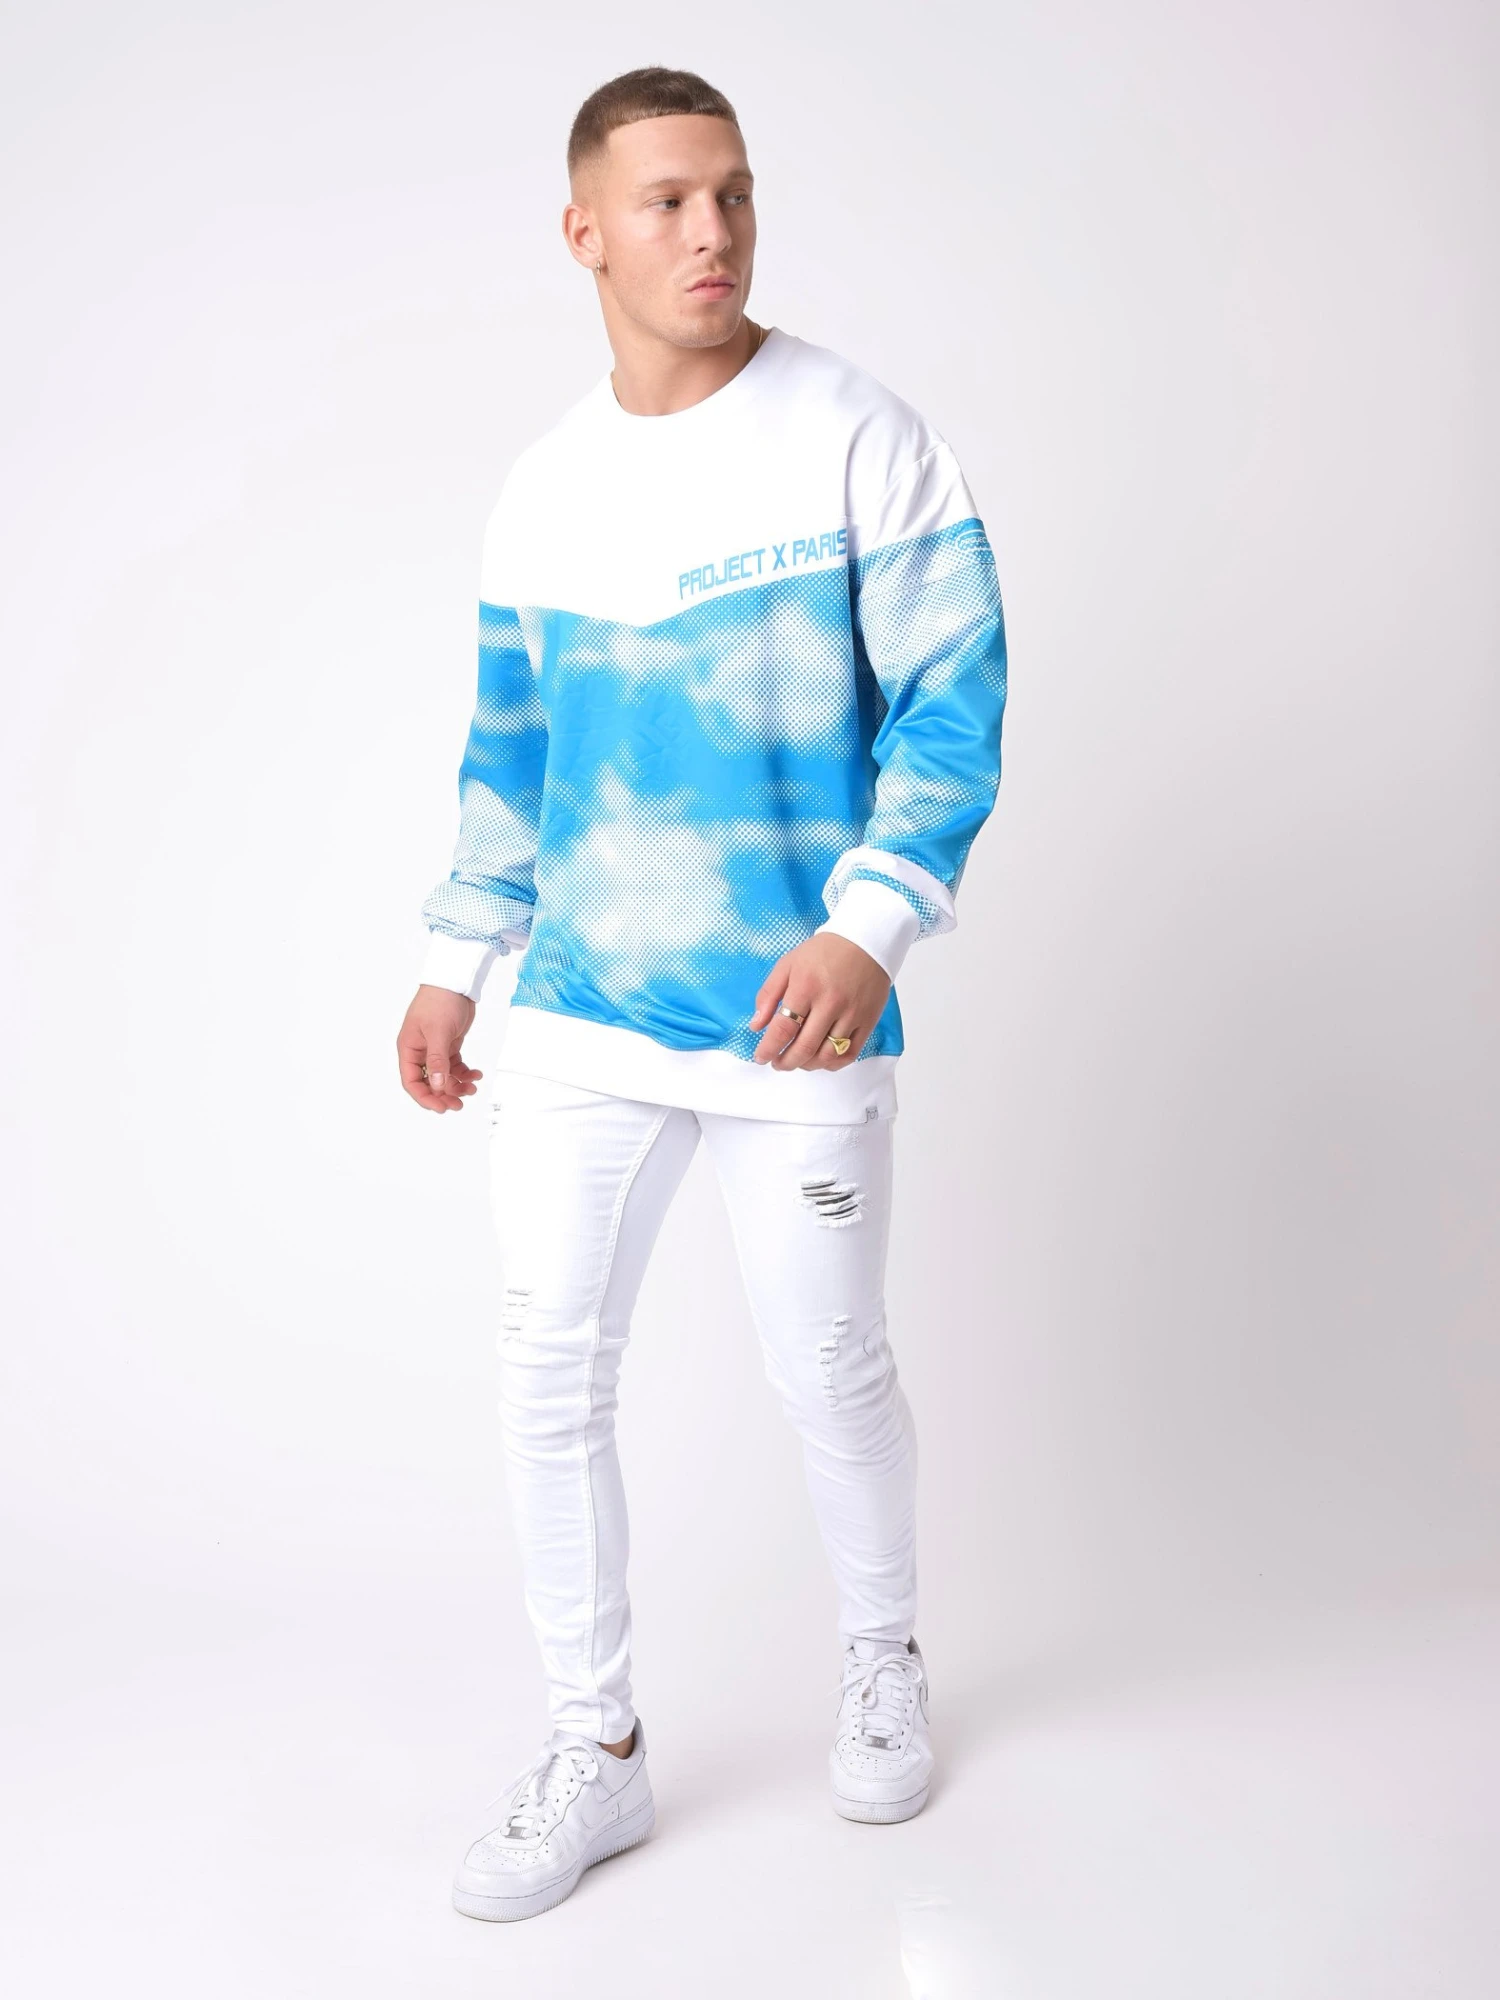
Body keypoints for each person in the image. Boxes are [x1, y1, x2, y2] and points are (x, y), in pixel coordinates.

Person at [396, 65, 1008, 1923]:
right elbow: (513, 755)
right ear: (584, 232)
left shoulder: (857, 435)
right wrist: (452, 962)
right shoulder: (544, 491)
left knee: (829, 1364)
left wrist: (869, 927)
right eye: (666, 201)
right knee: (545, 1368)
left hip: (794, 1012)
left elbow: (956, 697)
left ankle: (883, 1659)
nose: (713, 231)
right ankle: (597, 1748)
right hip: (583, 1003)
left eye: (733, 192)